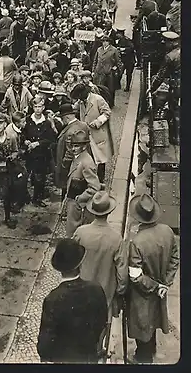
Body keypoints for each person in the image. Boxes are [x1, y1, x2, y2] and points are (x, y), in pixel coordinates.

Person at [126, 193, 179, 364]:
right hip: (161, 287)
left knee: (143, 322)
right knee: (155, 318)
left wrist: (155, 286)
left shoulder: (137, 241)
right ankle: (152, 348)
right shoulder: (168, 232)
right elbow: (175, 259)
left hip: (144, 291)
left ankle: (143, 358)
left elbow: (135, 276)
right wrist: (165, 284)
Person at [37, 238, 108, 364]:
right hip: (88, 356)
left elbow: (45, 346)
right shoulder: (96, 289)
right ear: (80, 264)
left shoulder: (53, 299)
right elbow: (102, 323)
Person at [73, 189, 128, 322]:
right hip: (105, 294)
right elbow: (122, 273)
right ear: (109, 212)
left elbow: (71, 260)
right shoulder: (116, 239)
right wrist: (120, 291)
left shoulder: (80, 233)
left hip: (81, 292)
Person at [71, 83, 113, 184]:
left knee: (101, 156)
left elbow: (107, 112)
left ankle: (101, 179)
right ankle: (91, 177)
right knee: (90, 155)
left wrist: (98, 122)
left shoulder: (98, 99)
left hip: (98, 132)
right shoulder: (81, 102)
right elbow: (75, 109)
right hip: (87, 133)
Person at [64, 130, 101, 237]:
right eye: (72, 146)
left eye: (76, 146)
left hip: (77, 203)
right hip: (72, 198)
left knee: (74, 231)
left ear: (84, 146)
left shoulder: (86, 162)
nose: (73, 149)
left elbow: (95, 187)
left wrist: (80, 199)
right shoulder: (79, 157)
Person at [23, 96, 56, 207]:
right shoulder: (28, 119)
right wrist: (25, 141)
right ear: (32, 107)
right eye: (35, 107)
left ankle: (37, 198)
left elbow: (50, 139)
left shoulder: (46, 123)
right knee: (24, 175)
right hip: (28, 154)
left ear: (43, 107)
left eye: (40, 107)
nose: (37, 109)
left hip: (41, 155)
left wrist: (38, 143)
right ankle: (24, 197)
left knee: (40, 178)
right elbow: (22, 133)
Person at [149, 31, 180, 145]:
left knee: (175, 110)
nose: (164, 44)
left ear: (171, 43)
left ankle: (176, 138)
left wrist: (152, 88)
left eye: (165, 42)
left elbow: (160, 76)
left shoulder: (170, 57)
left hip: (177, 87)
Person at [55, 104, 91, 202]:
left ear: (66, 117)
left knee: (68, 190)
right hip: (82, 162)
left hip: (71, 167)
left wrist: (63, 166)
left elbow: (70, 152)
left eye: (62, 119)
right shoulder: (83, 125)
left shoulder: (71, 131)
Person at [92, 35, 122, 108]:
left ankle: (110, 103)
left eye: (106, 41)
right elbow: (95, 61)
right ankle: (101, 103)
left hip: (109, 72)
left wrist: (118, 70)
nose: (104, 43)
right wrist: (93, 70)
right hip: (99, 72)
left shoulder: (114, 50)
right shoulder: (99, 49)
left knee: (110, 89)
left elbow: (118, 62)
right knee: (100, 88)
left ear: (109, 42)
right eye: (103, 41)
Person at [116, 27, 136, 92]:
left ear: (121, 34)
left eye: (118, 34)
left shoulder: (127, 40)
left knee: (128, 74)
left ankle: (127, 86)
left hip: (129, 60)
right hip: (123, 60)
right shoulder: (119, 40)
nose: (117, 35)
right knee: (120, 73)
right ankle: (118, 85)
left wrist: (123, 49)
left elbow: (132, 48)